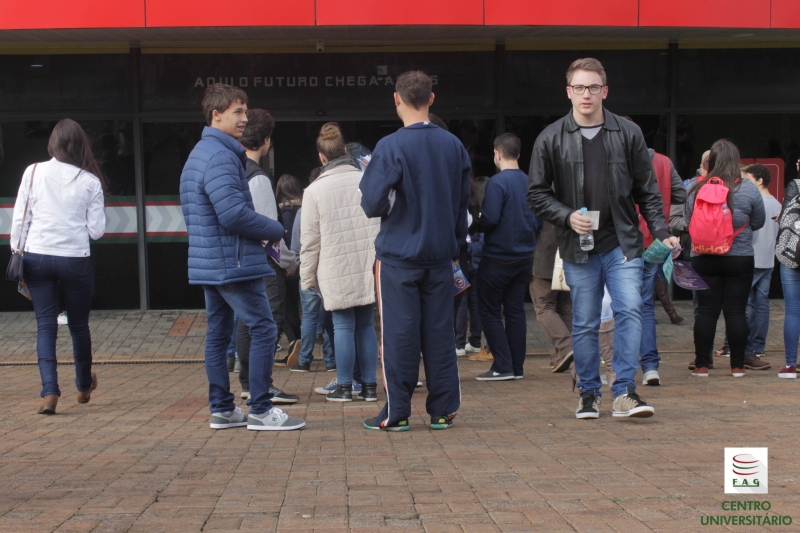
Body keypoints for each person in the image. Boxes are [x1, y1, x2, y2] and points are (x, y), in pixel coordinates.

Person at [527, 58, 678, 420]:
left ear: (604, 91)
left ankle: (624, 391)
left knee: (630, 310)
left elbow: (648, 191)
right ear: (569, 92)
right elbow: (536, 194)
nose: (586, 94)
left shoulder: (627, 133)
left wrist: (662, 231)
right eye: (579, 87)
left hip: (622, 242)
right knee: (585, 320)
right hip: (577, 246)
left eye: (593, 87)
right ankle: (589, 393)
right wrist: (567, 215)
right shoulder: (551, 137)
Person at [179, 84, 304, 431]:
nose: (244, 118)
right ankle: (261, 409)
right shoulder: (221, 156)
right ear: (216, 114)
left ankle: (222, 408)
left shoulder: (200, 154)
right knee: (264, 328)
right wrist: (276, 228)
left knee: (219, 334)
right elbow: (232, 215)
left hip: (211, 261)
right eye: (237, 111)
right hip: (232, 261)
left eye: (245, 111)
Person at [360, 70, 471, 431]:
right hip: (441, 256)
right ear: (431, 99)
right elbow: (461, 206)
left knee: (399, 335)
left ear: (396, 98)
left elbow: (371, 203)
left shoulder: (390, 146)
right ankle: (443, 410)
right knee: (440, 335)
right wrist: (454, 247)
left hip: (398, 256)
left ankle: (397, 412)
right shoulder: (453, 146)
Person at [10, 119, 105, 415]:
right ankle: (83, 385)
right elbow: (96, 231)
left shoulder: (33, 172)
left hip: (37, 256)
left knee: (45, 326)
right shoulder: (90, 181)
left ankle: (49, 392)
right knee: (78, 325)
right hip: (75, 258)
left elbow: (20, 219)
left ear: (52, 143)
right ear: (80, 146)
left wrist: (17, 251)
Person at [300, 123, 381, 402]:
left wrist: (307, 278)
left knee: (343, 325)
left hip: (334, 267)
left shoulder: (313, 191)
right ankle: (369, 387)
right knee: (366, 325)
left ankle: (345, 387)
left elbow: (310, 242)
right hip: (368, 263)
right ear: (344, 149)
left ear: (321, 157)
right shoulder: (366, 180)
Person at [234, 108, 300, 404]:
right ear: (265, 140)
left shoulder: (234, 169)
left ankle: (248, 382)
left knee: (245, 321)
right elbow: (268, 232)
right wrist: (289, 261)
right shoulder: (257, 177)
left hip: (242, 258)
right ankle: (261, 383)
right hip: (264, 263)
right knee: (267, 321)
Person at [685, 140, 766, 378]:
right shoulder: (749, 188)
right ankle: (737, 366)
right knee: (737, 311)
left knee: (705, 312)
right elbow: (758, 221)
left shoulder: (696, 187)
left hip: (703, 257)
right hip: (739, 258)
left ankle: (702, 365)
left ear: (711, 161)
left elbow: (689, 221)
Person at [474, 133, 540, 381]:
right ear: (518, 154)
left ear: (497, 154)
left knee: (489, 310)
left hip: (497, 256)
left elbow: (490, 218)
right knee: (515, 311)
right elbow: (539, 220)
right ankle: (516, 367)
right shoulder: (530, 181)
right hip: (525, 256)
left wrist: (477, 221)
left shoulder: (497, 183)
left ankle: (503, 365)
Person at [631, 126, 688, 387]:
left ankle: (616, 365)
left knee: (615, 305)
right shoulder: (664, 162)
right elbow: (680, 194)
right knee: (645, 305)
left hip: (624, 242)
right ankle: (651, 366)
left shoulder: (621, 158)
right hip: (655, 240)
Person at [741, 164, 781, 363]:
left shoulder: (755, 203)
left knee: (745, 303)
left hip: (752, 257)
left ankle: (744, 345)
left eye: (748, 180)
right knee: (762, 303)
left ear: (759, 181)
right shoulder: (777, 204)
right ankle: (759, 346)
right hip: (769, 259)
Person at [530, 221, 574, 372]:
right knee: (565, 308)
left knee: (544, 307)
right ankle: (559, 357)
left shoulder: (540, 205)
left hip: (545, 257)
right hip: (569, 256)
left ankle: (566, 347)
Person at [276, 174, 304, 352]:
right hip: (303, 262)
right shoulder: (304, 208)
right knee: (295, 304)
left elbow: (285, 241)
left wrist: (288, 263)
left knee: (285, 306)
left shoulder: (286, 212)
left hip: (290, 265)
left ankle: (295, 340)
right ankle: (298, 340)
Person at [779, 173, 800, 379]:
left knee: (793, 311)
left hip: (792, 255)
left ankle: (790, 365)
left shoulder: (796, 185)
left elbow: (785, 219)